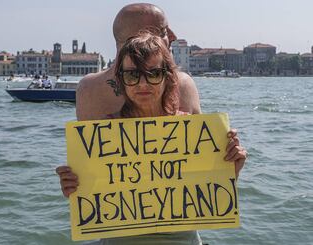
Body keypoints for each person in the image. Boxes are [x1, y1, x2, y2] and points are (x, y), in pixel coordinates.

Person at [57, 32, 247, 245]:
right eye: (132, 75)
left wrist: (231, 169)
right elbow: (94, 198)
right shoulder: (103, 133)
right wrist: (74, 187)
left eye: (153, 73)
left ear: (168, 77)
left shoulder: (190, 129)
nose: (142, 84)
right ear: (121, 80)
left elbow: (206, 195)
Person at [76, 3, 200, 121]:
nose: (173, 37)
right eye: (164, 32)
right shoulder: (183, 84)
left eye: (154, 74)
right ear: (143, 39)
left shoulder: (87, 87)